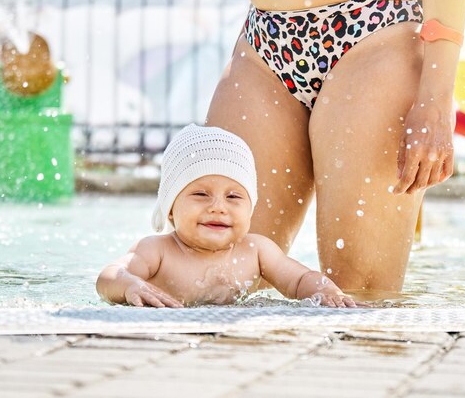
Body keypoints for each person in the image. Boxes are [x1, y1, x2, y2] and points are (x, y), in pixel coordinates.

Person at [205, 0, 465, 296]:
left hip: (374, 25)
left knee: (359, 292)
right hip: (266, 38)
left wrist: (435, 100)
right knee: (220, 281)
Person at [96, 125, 359, 308]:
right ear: (171, 208)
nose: (218, 207)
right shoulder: (157, 251)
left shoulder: (256, 251)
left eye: (233, 197)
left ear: (250, 208)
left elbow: (299, 280)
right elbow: (108, 276)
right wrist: (130, 285)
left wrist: (325, 290)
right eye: (201, 194)